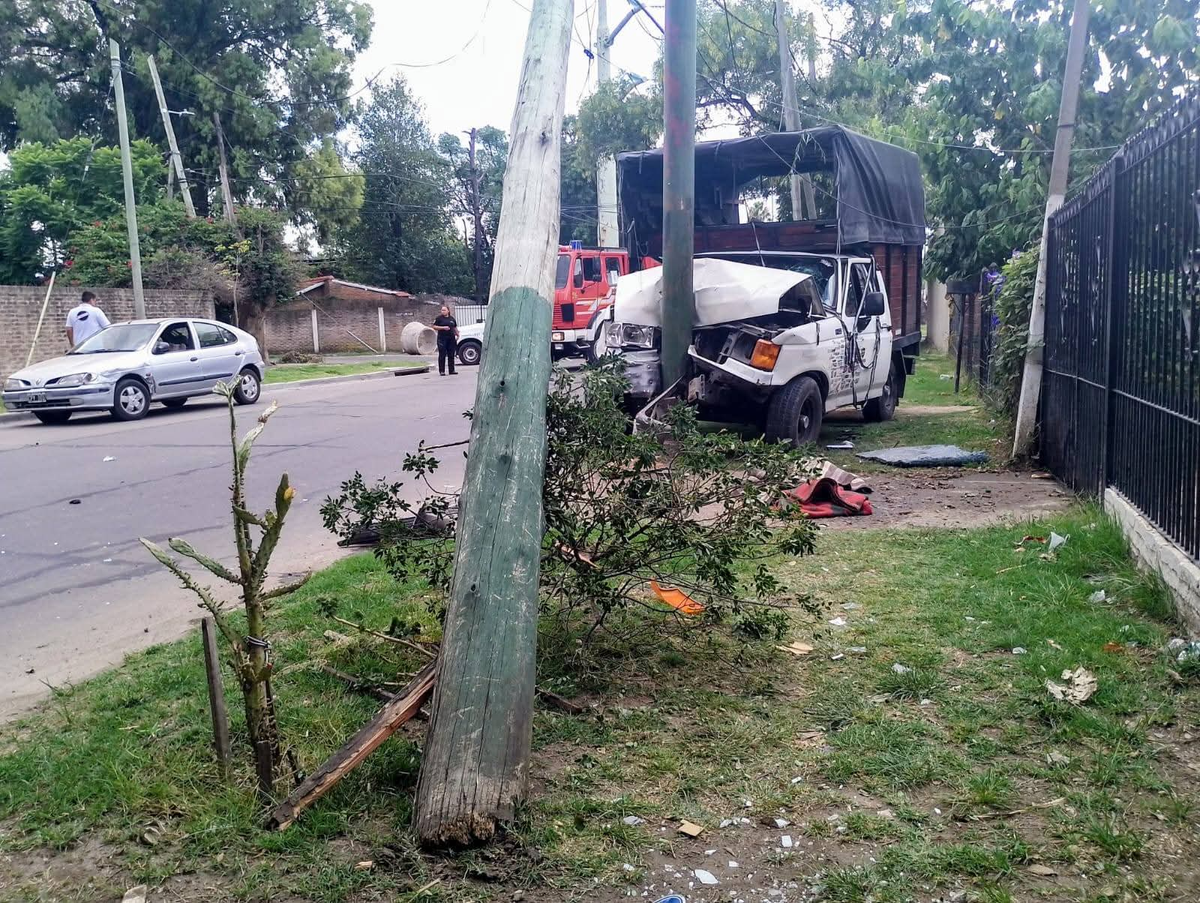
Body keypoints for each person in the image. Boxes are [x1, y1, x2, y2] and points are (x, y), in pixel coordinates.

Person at [432, 304, 458, 376]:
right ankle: (442, 371)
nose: (442, 311)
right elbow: (434, 326)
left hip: (451, 338)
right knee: (442, 354)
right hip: (442, 339)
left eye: (444, 310)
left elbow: (455, 327)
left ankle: (452, 370)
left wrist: (457, 334)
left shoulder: (452, 319)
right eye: (442, 310)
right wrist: (443, 328)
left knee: (451, 354)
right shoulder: (439, 318)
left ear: (448, 311)